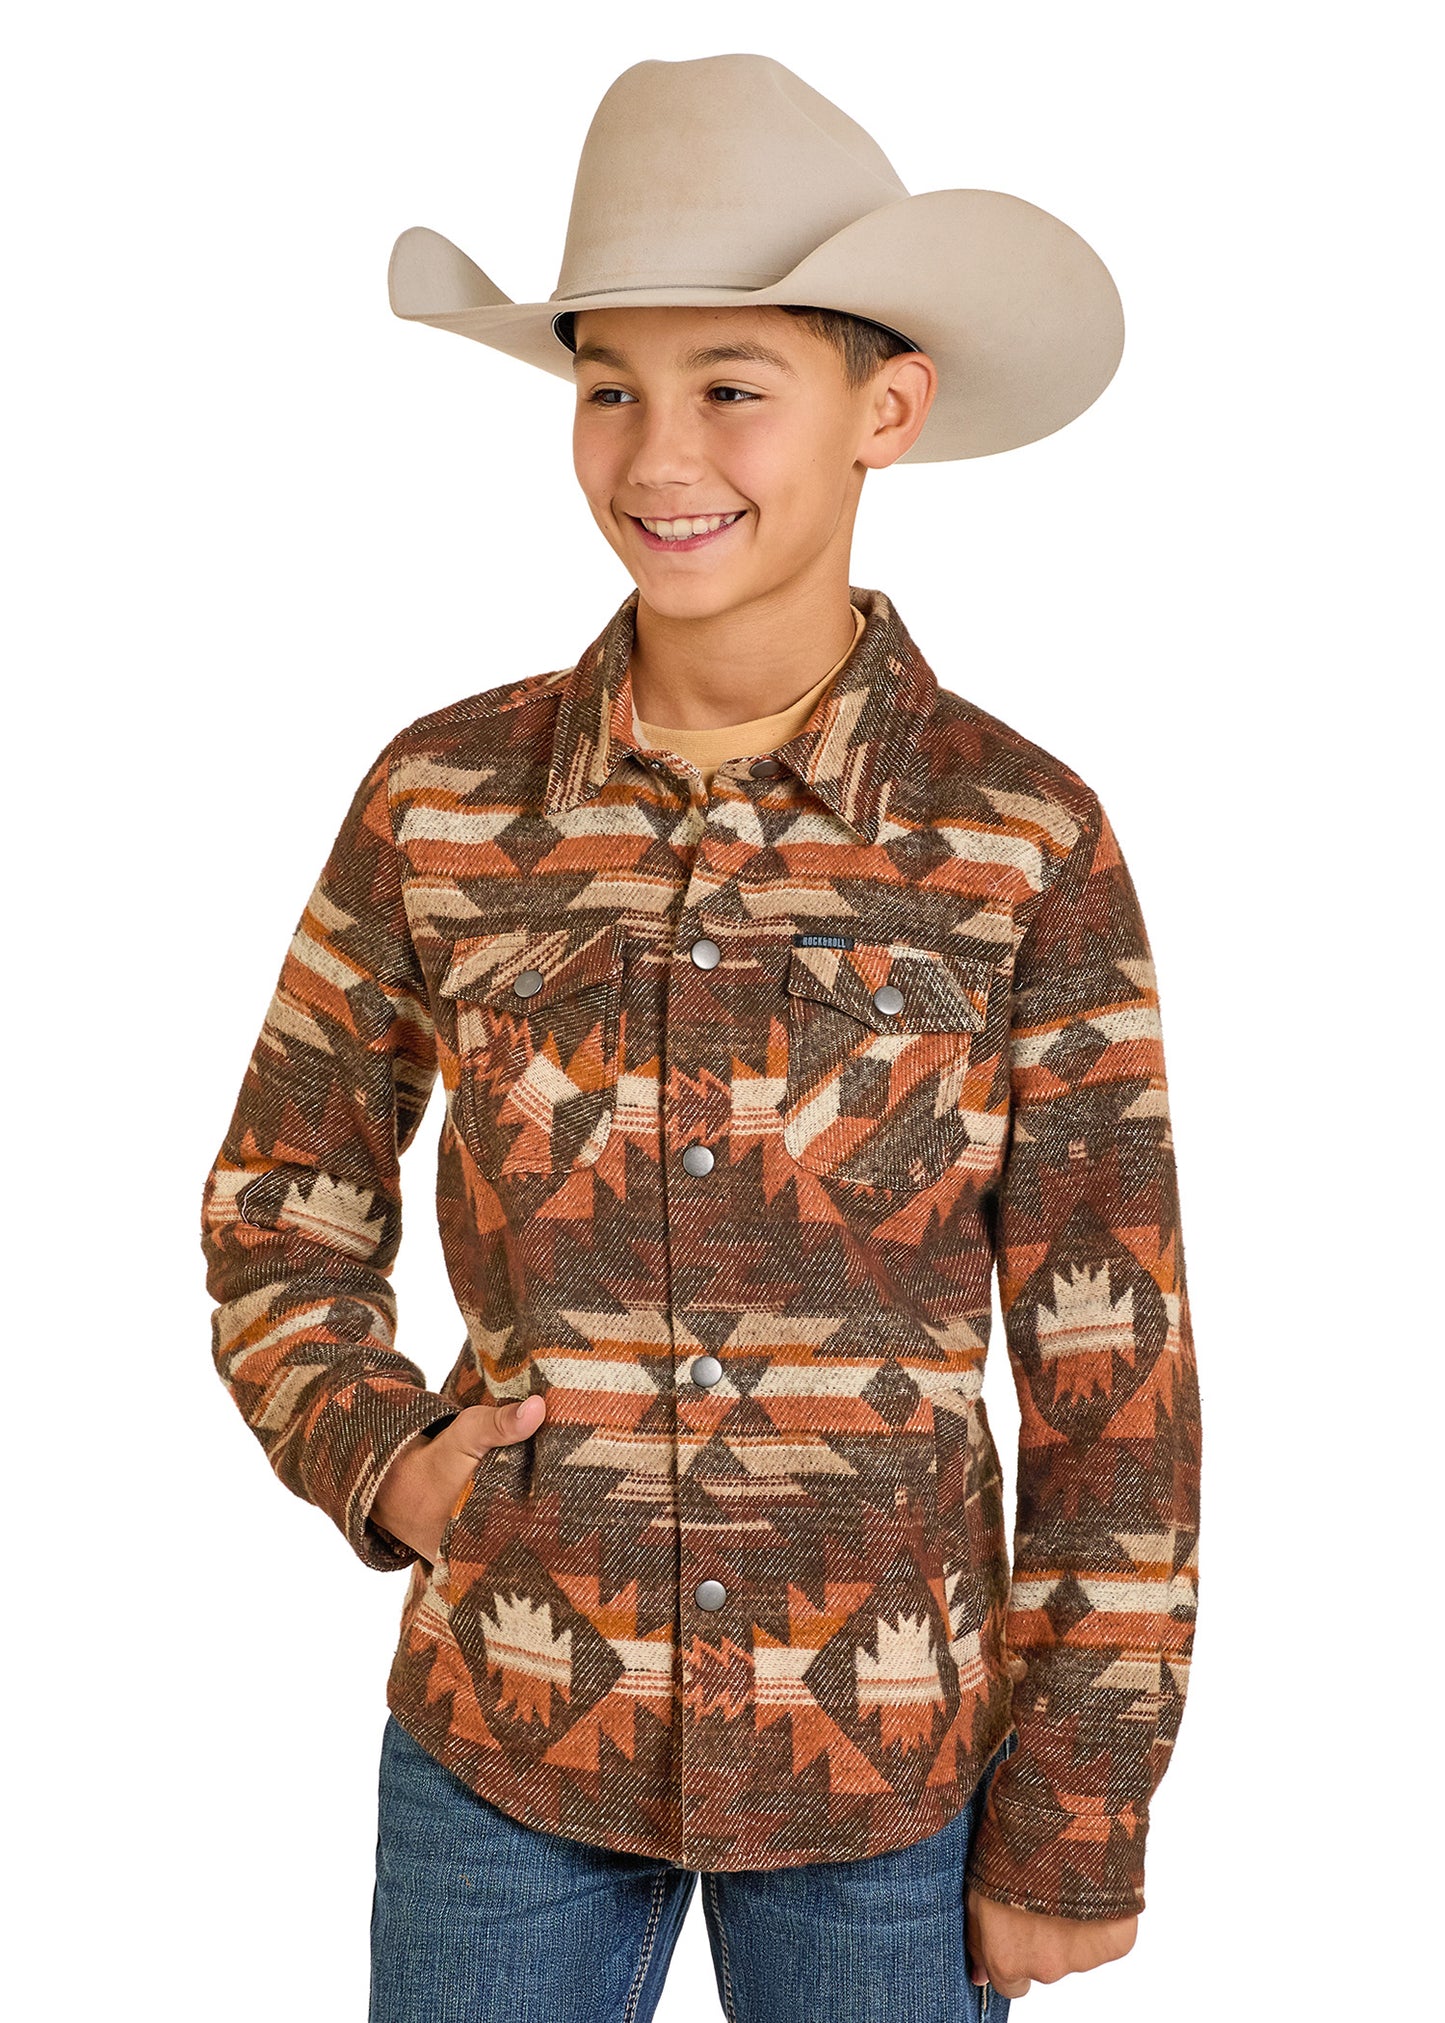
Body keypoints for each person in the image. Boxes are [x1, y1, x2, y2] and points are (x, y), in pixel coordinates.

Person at [200, 52, 1201, 2023]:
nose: (660, 454)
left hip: (897, 1777)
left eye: (731, 384)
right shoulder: (444, 803)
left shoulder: (1023, 839)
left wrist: (1083, 1800)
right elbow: (282, 1196)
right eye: (607, 387)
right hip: (510, 1732)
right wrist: (382, 1458)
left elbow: (1115, 1362)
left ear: (882, 410)